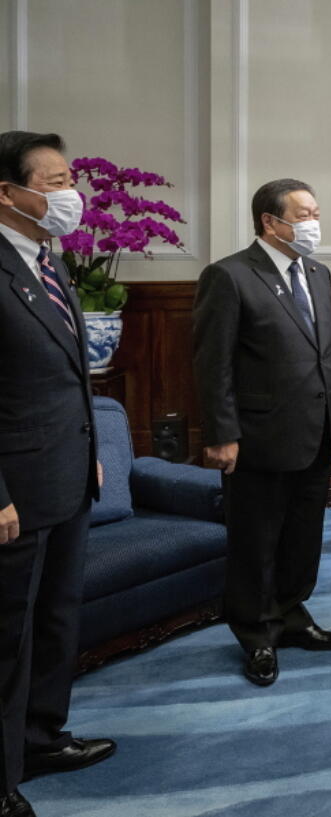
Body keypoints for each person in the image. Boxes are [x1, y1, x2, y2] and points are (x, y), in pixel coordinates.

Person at [193, 178, 331, 687]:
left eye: (315, 212)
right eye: (303, 214)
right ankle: (256, 634)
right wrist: (222, 433)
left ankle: (292, 614)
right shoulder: (230, 276)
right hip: (258, 436)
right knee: (256, 540)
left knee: (303, 536)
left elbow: (328, 352)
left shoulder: (319, 273)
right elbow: (212, 364)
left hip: (317, 431)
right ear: (270, 221)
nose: (313, 223)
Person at [0, 131, 115, 817]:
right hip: (16, 492)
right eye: (53, 180)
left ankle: (42, 736)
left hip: (70, 475)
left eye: (70, 177)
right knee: (7, 636)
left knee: (56, 620)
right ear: (8, 193)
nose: (68, 192)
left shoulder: (51, 260)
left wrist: (90, 445)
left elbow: (68, 377)